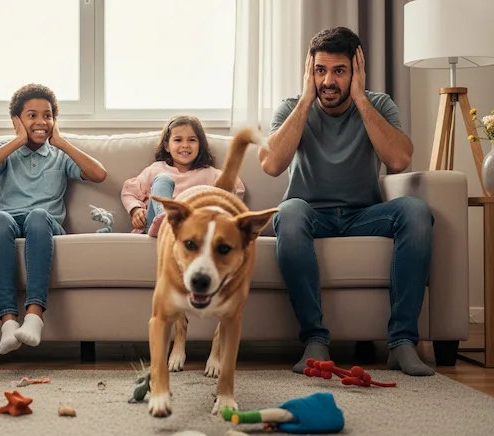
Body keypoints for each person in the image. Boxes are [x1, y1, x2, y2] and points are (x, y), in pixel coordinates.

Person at [258, 27, 435, 376]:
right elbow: (271, 164)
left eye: (339, 71)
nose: (328, 80)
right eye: (320, 70)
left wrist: (361, 100)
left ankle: (401, 343)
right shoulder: (292, 107)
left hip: (363, 214)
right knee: (289, 211)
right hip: (309, 215)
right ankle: (314, 340)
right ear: (310, 71)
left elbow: (400, 160)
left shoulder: (378, 103)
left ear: (356, 72)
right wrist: (307, 100)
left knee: (416, 211)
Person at [0, 83, 107, 355]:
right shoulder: (6, 150)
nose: (40, 121)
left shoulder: (59, 154)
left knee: (37, 215)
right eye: (31, 115)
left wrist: (60, 142)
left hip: (44, 225)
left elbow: (99, 174)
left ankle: (34, 316)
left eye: (47, 115)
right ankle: (8, 322)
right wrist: (18, 140)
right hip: (5, 222)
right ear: (17, 121)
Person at [121, 115, 246, 237]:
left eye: (192, 140)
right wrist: (136, 210)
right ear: (167, 146)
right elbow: (129, 191)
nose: (185, 145)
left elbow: (236, 188)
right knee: (163, 179)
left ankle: (173, 224)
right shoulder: (156, 169)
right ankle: (165, 219)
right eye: (178, 140)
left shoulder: (210, 173)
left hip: (193, 230)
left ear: (200, 145)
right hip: (155, 228)